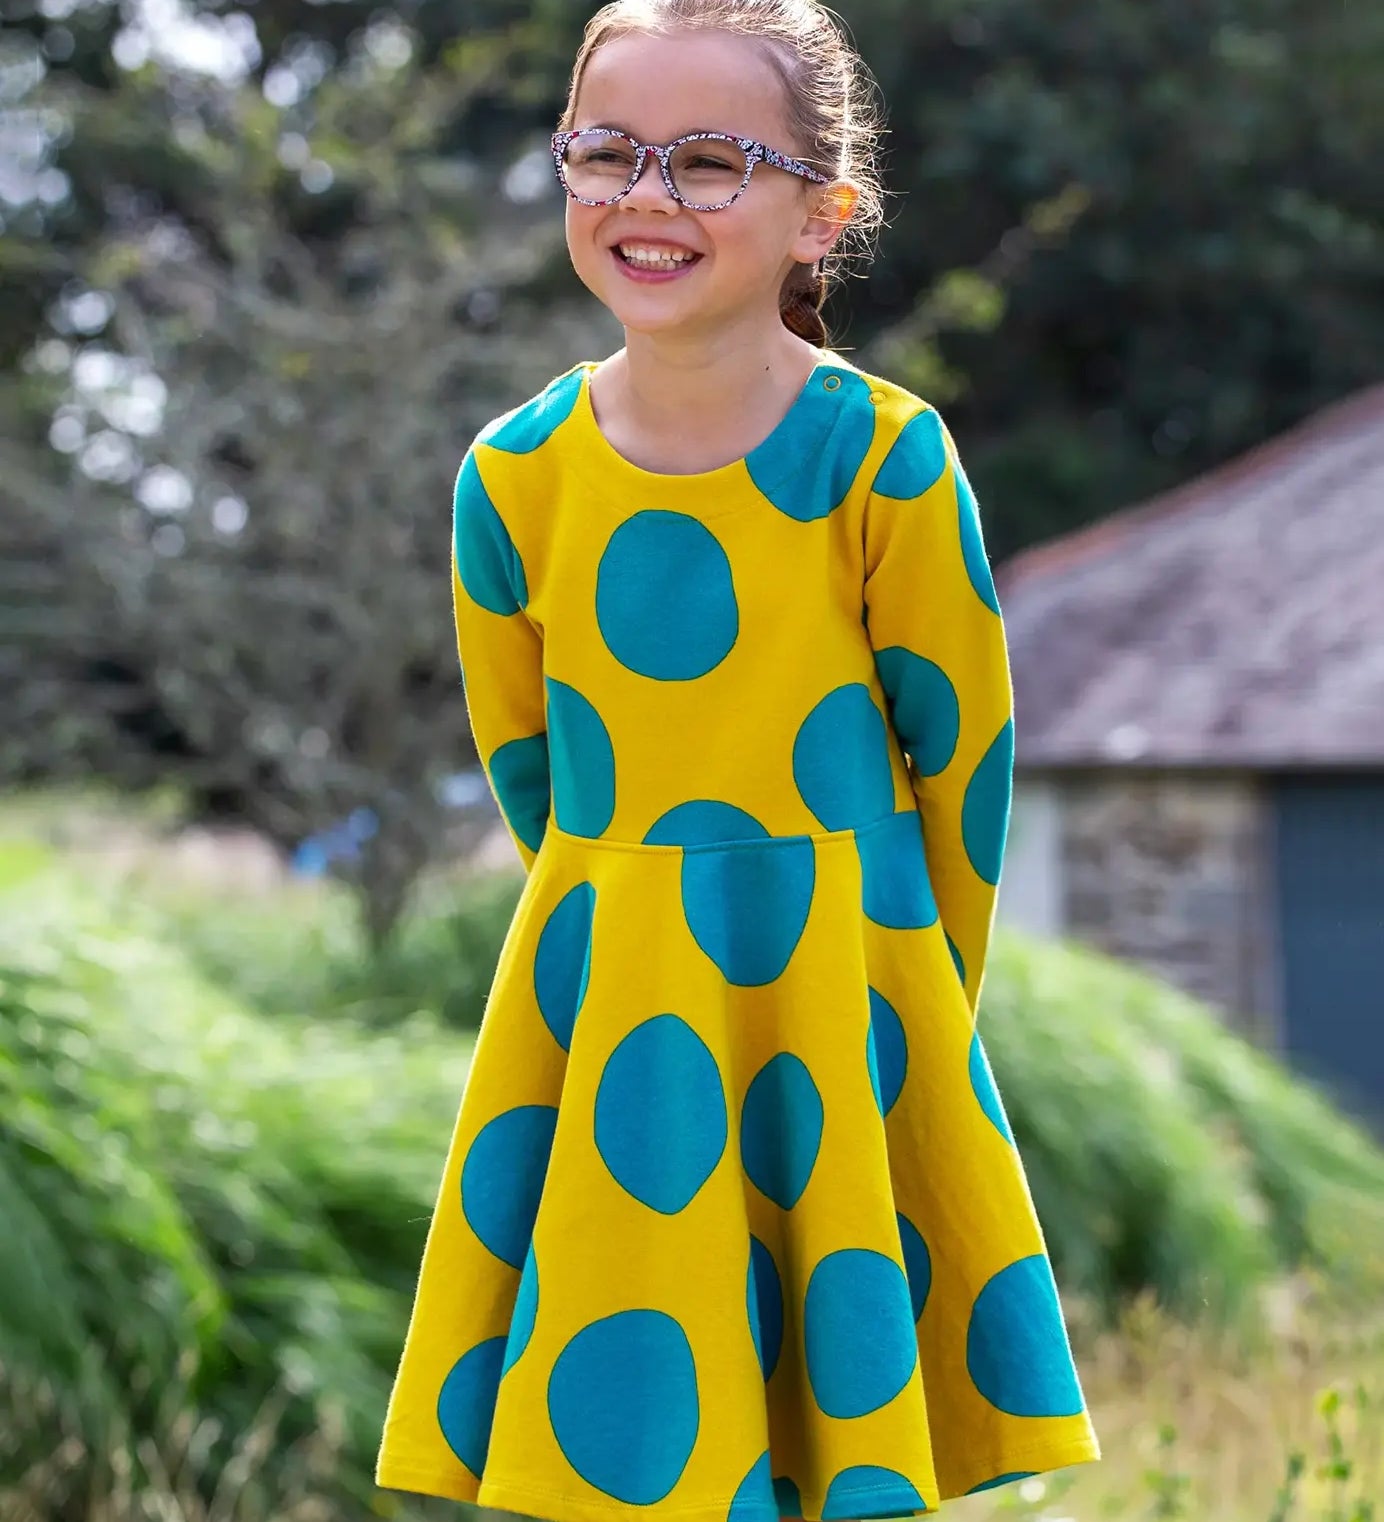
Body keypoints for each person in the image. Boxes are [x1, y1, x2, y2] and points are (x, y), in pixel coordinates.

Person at [376, 1, 1100, 1516]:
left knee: (825, 1451)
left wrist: (901, 1016)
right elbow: (536, 780)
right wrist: (635, 931)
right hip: (614, 1009)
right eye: (608, 151)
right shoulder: (511, 476)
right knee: (632, 1439)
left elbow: (964, 766)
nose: (648, 197)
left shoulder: (883, 457)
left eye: (711, 161)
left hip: (844, 1000)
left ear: (818, 215)